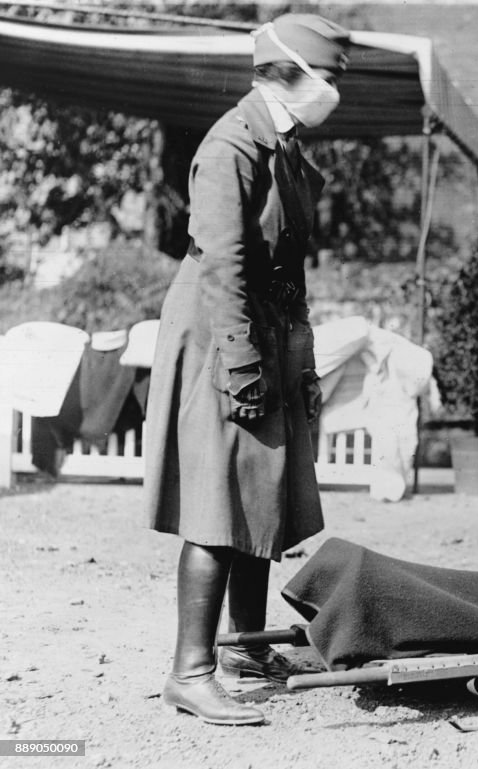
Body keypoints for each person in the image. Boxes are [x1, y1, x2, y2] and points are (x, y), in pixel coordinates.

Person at [142, 14, 350, 725]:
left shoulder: (286, 147)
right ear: (287, 72)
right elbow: (223, 266)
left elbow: (289, 265)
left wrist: (303, 356)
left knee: (260, 493)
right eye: (331, 77)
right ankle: (189, 671)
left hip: (268, 327)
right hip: (219, 331)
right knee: (218, 500)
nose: (336, 92)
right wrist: (241, 364)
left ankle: (245, 646)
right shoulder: (232, 144)